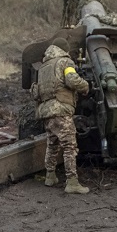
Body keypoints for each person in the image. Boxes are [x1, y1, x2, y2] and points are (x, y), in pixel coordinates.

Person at [33, 37, 92, 194]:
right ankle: (72, 182)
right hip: (60, 109)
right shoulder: (65, 62)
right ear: (65, 50)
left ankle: (50, 176)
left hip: (46, 111)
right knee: (69, 146)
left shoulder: (44, 67)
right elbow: (72, 80)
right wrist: (85, 86)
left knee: (52, 144)